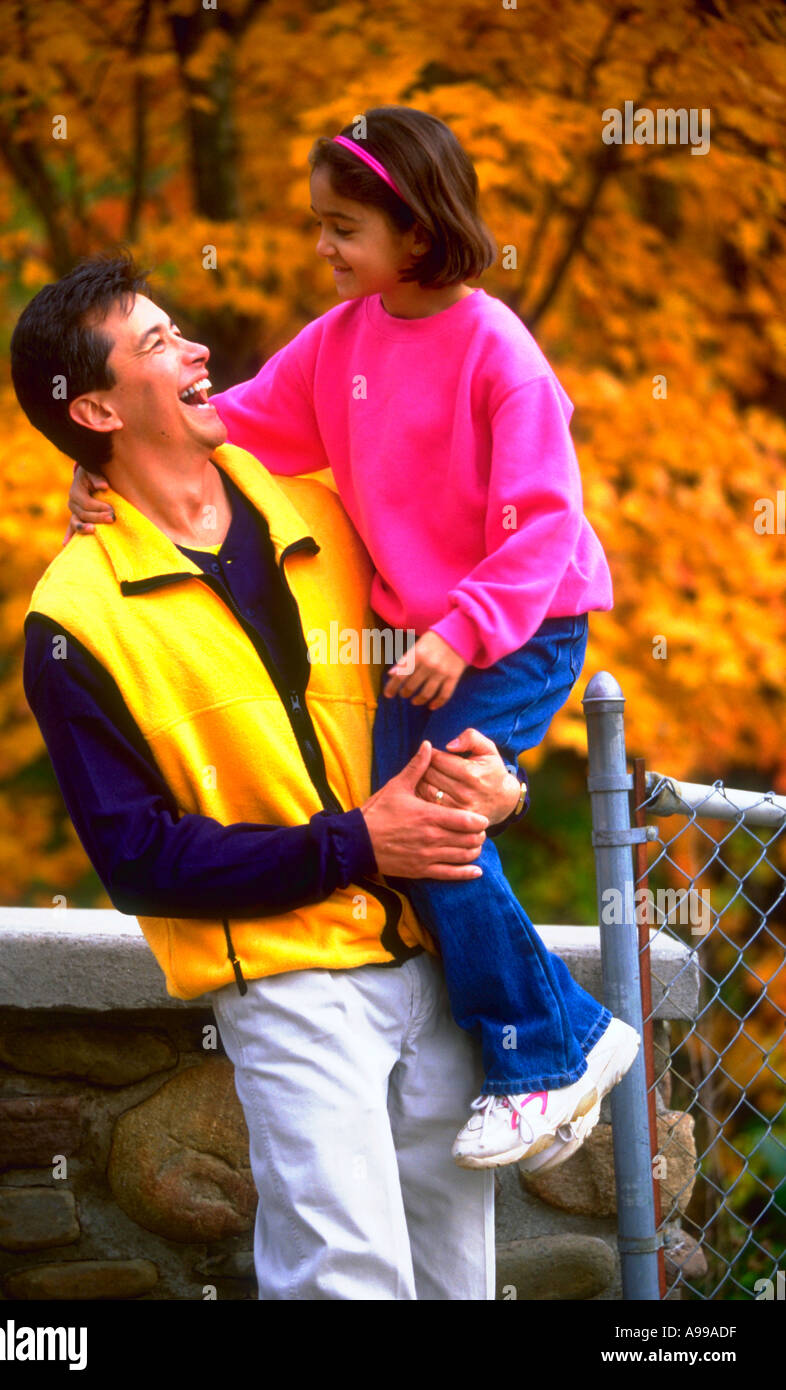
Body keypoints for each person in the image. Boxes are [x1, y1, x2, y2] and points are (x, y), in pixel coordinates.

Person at [68, 108, 639, 1172]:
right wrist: (107, 462)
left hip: (517, 625)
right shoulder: (343, 343)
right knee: (418, 819)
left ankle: (540, 1051)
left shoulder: (497, 352)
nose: (321, 249)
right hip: (429, 637)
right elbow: (233, 420)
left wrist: (464, 633)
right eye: (318, 226)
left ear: (414, 232)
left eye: (343, 229)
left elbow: (543, 522)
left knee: (426, 819)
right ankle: (565, 1033)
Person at [12, 253, 528, 1301]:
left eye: (179, 327)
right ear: (99, 405)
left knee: (458, 1283)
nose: (198, 349)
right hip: (289, 986)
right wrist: (355, 845)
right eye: (157, 342)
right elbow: (140, 861)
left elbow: (466, 663)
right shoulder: (72, 621)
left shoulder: (333, 510)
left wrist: (495, 780)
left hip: (440, 954)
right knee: (348, 1282)